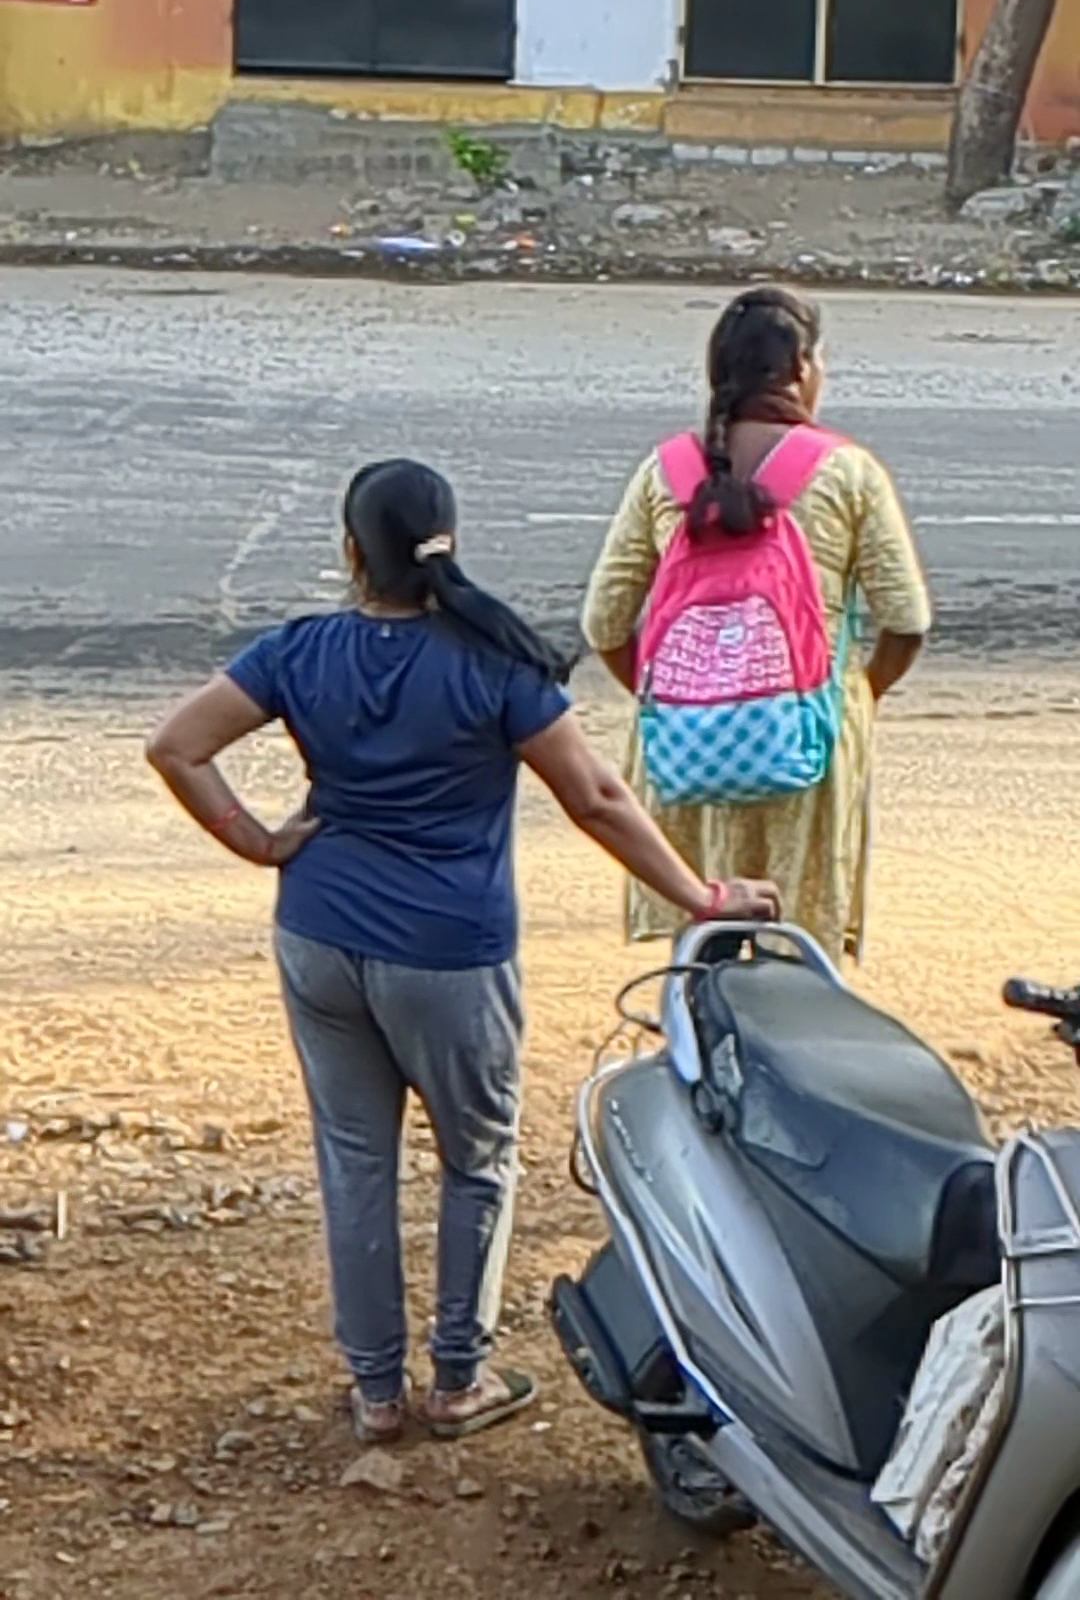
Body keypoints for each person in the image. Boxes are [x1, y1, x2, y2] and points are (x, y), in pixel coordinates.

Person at [146, 459, 778, 1446]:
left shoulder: (299, 650)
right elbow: (596, 798)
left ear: (352, 552)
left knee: (355, 1163)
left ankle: (375, 1393)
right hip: (449, 952)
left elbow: (177, 747)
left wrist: (260, 842)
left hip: (319, 934)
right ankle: (458, 1379)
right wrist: (701, 895)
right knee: (476, 1160)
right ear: (448, 543)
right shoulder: (494, 660)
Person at [582, 287, 931, 965]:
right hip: (810, 743)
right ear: (801, 368)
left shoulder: (664, 473)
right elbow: (907, 620)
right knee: (797, 954)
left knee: (702, 944)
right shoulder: (848, 472)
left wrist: (680, 700)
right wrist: (856, 696)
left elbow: (604, 623)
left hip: (687, 749)